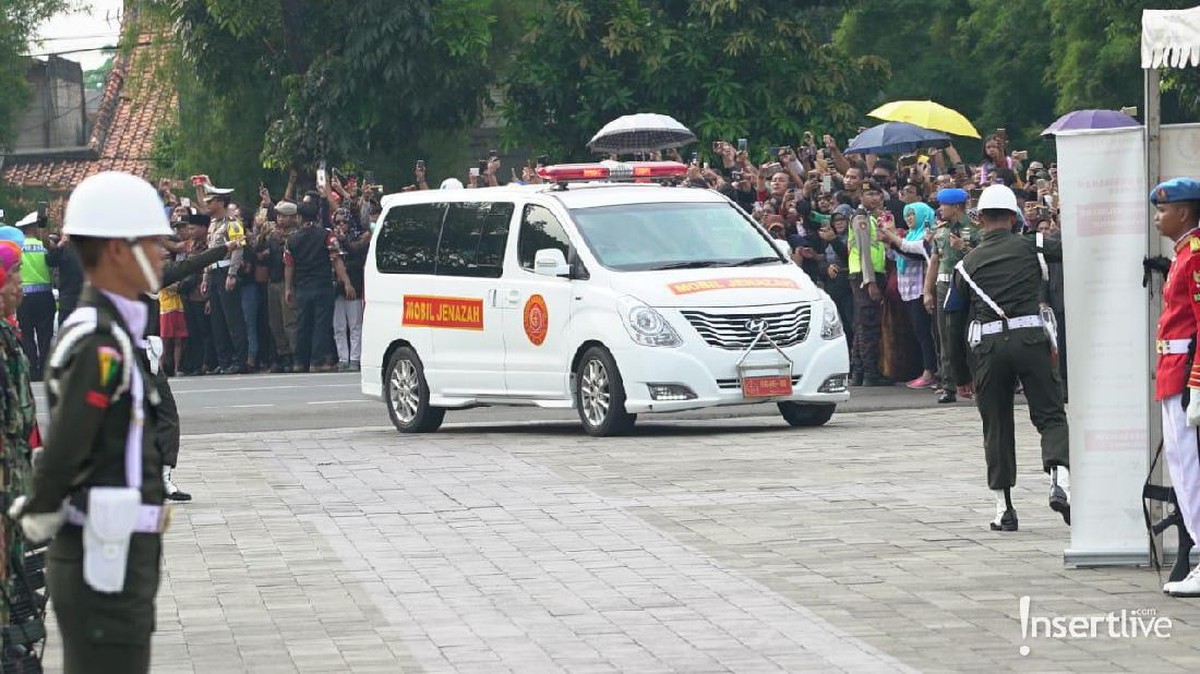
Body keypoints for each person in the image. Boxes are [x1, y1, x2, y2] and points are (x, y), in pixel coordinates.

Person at [7, 171, 173, 673]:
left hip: (117, 553)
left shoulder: (112, 331)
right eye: (152, 241)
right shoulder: (100, 343)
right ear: (118, 250)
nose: (164, 251)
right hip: (103, 560)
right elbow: (70, 443)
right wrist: (39, 506)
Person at [945, 184, 1069, 532]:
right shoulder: (1034, 244)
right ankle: (1060, 480)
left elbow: (953, 322)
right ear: (1014, 218)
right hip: (1030, 339)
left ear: (980, 219)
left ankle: (1004, 508)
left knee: (996, 424)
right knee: (1050, 415)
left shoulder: (965, 264)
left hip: (989, 348)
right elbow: (1071, 249)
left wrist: (958, 374)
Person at [1148, 178, 1200, 596]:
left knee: (1192, 472)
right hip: (1173, 370)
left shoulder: (1195, 255)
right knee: (1184, 472)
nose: (1157, 217)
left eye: (1163, 210)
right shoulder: (1183, 254)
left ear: (1184, 212)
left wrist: (1197, 382)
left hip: (1186, 374)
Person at [0, 226, 48, 668]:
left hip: (13, 479)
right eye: (13, 275)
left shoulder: (7, 334)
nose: (20, 283)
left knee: (14, 570)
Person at [285, 192, 354, 373]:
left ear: (299, 217)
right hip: (323, 285)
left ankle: (299, 361)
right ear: (317, 216)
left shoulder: (291, 239)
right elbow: (336, 259)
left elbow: (289, 265)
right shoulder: (327, 236)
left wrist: (287, 288)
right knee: (321, 325)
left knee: (302, 324)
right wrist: (346, 281)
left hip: (302, 286)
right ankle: (317, 361)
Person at [925, 188, 980, 403]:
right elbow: (935, 262)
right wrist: (926, 291)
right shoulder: (941, 231)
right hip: (944, 285)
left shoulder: (974, 228)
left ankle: (975, 382)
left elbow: (982, 255)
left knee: (970, 335)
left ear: (956, 207)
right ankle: (949, 384)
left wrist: (963, 246)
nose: (940, 209)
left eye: (944, 205)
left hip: (966, 285)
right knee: (945, 336)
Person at [200, 186, 248, 375]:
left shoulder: (233, 222)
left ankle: (240, 360)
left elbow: (238, 248)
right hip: (213, 272)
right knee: (217, 321)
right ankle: (224, 360)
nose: (207, 205)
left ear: (220, 202)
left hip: (226, 270)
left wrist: (232, 273)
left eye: (210, 202)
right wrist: (205, 276)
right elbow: (209, 252)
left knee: (233, 318)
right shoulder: (213, 223)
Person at [847, 207, 891, 386]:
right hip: (865, 275)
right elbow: (864, 250)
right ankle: (870, 373)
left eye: (877, 194)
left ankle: (859, 372)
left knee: (861, 325)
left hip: (866, 274)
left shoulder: (872, 219)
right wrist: (870, 281)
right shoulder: (861, 217)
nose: (875, 199)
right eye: (869, 194)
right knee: (868, 325)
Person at [14, 211, 56, 380]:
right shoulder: (46, 246)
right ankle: (45, 368)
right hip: (45, 297)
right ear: (35, 228)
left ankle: (32, 370)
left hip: (24, 298)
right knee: (45, 335)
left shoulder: (17, 247)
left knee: (27, 334)